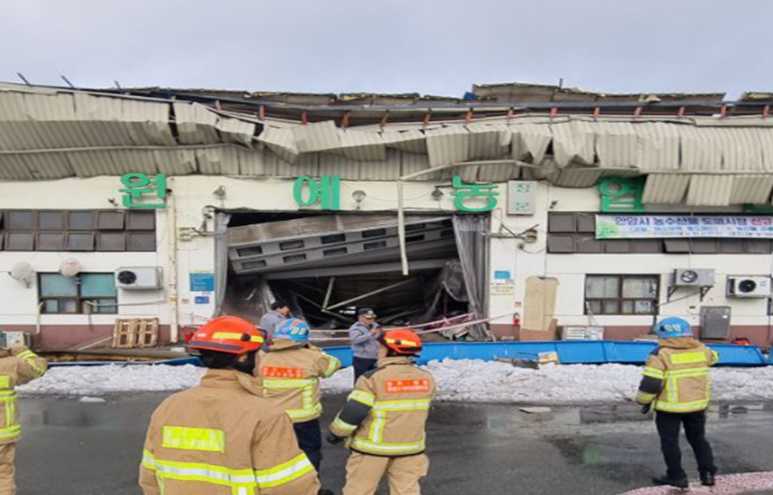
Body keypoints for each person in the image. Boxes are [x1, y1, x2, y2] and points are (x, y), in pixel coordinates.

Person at [139, 315, 320, 495]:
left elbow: (150, 476)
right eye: (258, 351)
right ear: (243, 358)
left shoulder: (169, 406)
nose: (262, 357)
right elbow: (287, 487)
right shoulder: (265, 414)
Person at [328, 329, 435, 495]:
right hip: (410, 449)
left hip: (372, 449)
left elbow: (354, 412)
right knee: (406, 491)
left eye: (381, 347)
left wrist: (337, 433)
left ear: (392, 350)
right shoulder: (426, 378)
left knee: (359, 490)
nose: (378, 351)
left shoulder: (373, 378)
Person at [257, 318, 341, 495]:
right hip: (305, 420)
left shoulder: (263, 358)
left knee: (274, 456)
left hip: (273, 420)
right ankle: (310, 489)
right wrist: (312, 349)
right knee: (309, 455)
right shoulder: (313, 358)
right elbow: (333, 365)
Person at [635, 316, 718, 489]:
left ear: (663, 335)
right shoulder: (702, 350)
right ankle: (708, 474)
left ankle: (676, 476)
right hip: (697, 406)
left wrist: (642, 400)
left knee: (670, 442)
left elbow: (651, 383)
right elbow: (714, 358)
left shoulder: (660, 354)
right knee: (698, 439)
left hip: (669, 408)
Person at [0, 344, 47, 495]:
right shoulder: (11, 364)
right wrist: (22, 351)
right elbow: (38, 369)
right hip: (2, 435)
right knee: (3, 474)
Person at [348, 308, 381, 383]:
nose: (371, 319)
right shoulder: (356, 328)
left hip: (376, 357)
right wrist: (370, 334)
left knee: (375, 379)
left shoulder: (376, 326)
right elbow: (355, 340)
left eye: (372, 317)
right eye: (368, 318)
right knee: (361, 380)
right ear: (360, 318)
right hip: (362, 359)